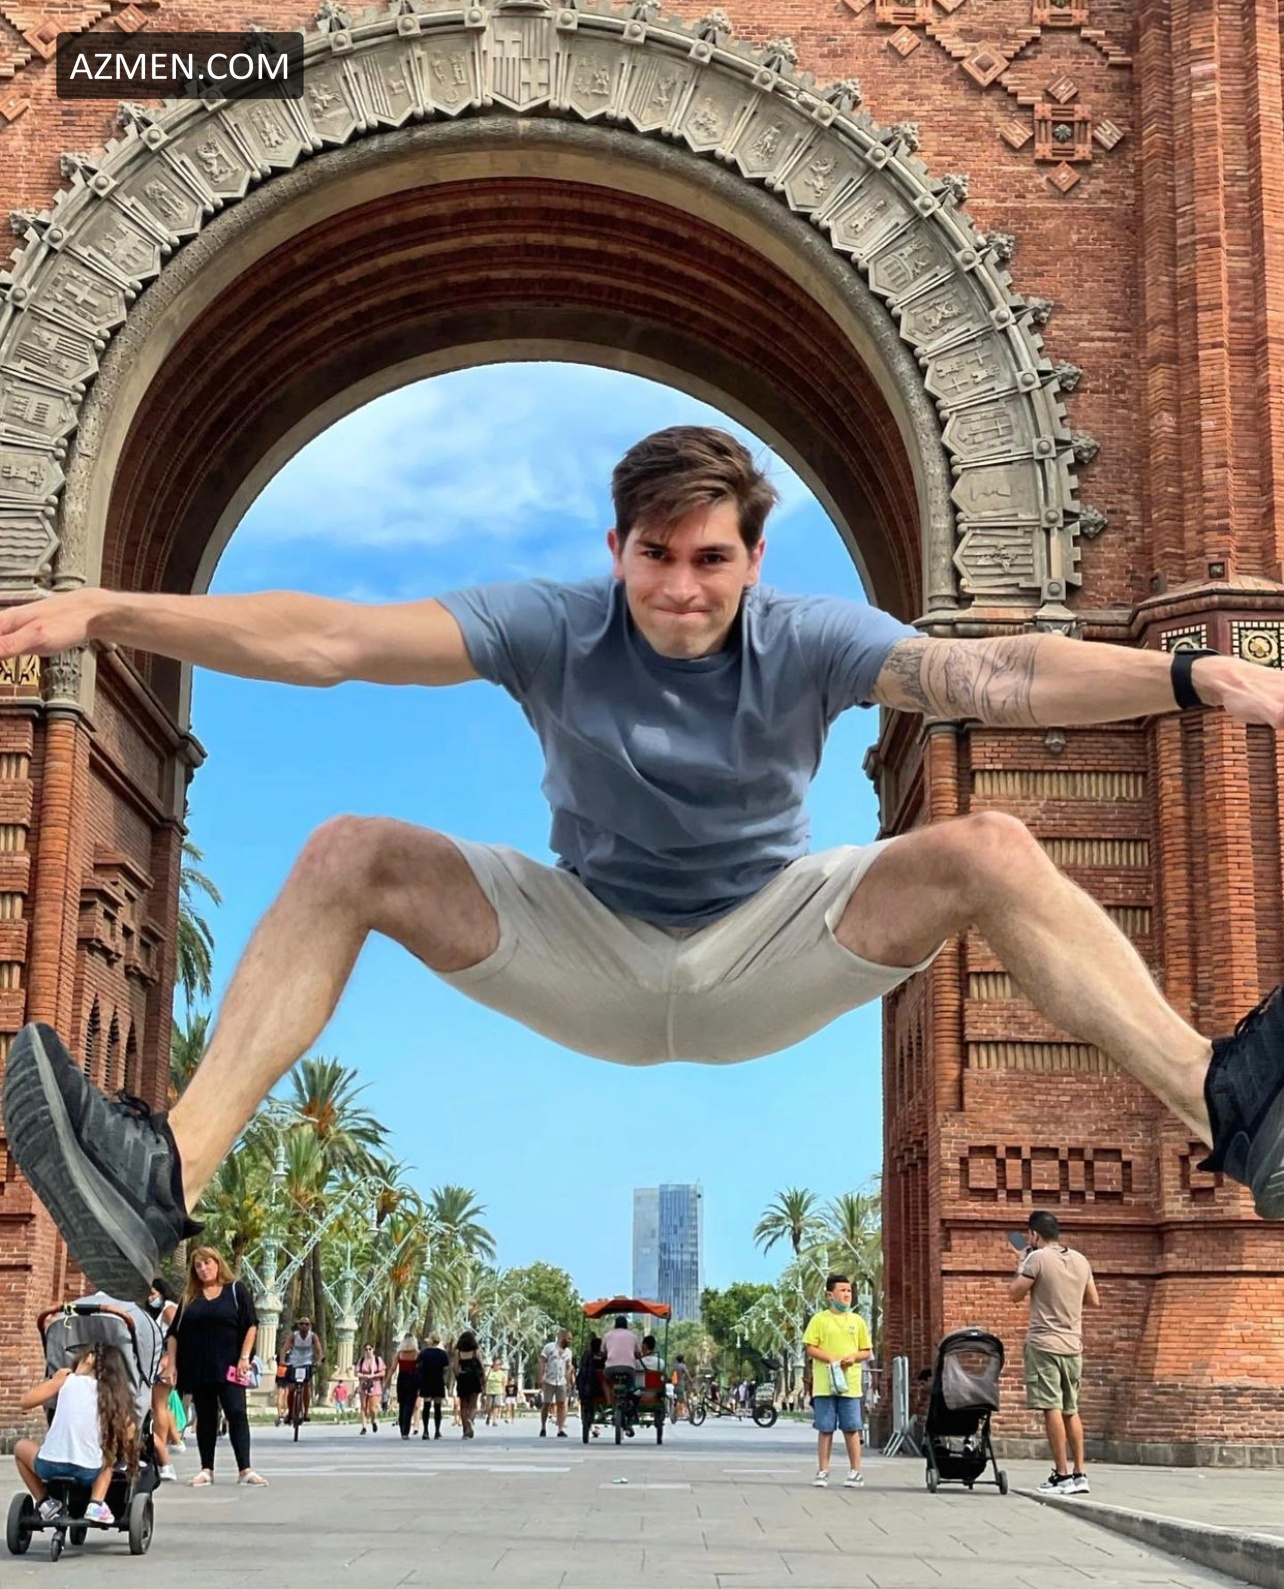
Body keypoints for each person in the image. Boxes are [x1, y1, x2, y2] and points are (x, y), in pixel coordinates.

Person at [10, 425, 1284, 1305]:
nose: (682, 589)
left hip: (768, 939)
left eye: (711, 558)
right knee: (349, 850)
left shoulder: (810, 637)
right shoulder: (548, 623)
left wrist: (1195, 677)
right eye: (656, 557)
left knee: (988, 844)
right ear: (615, 546)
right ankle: (162, 1175)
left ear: (755, 559)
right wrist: (112, 612)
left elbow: (993, 671)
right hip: (588, 939)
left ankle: (1227, 1104)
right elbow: (332, 638)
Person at [1010, 1210, 1100, 1497]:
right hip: (1073, 1345)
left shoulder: (1036, 1258)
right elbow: (1093, 1300)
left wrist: (1021, 1262)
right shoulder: (1081, 1260)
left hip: (1044, 1344)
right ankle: (1080, 1474)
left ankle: (1061, 1476)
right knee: (1071, 1409)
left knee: (1052, 1407)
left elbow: (1014, 1294)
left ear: (1034, 1234)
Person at [166, 1245, 266, 1487]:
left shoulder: (235, 1290)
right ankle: (206, 1469)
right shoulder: (190, 1297)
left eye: (207, 1263)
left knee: (236, 1412)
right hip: (199, 1367)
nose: (203, 1269)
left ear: (218, 1263)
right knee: (206, 1416)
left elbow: (251, 1325)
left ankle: (245, 1469)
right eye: (198, 1266)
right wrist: (171, 1365)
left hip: (230, 1366)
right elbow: (174, 1333)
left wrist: (244, 1357)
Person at [13, 1338, 137, 1526]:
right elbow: (129, 1432)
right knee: (108, 1455)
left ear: (89, 1358)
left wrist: (55, 1381)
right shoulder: (109, 1393)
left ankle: (45, 1503)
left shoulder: (65, 1381)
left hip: (49, 1465)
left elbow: (25, 1402)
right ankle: (96, 1503)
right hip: (88, 1471)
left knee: (20, 1447)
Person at [803, 1273, 872, 1490]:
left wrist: (854, 1357)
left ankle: (855, 1472)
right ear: (830, 1295)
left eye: (849, 1291)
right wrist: (830, 1358)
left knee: (852, 1428)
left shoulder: (857, 1321)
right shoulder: (819, 1320)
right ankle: (823, 1470)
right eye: (842, 1291)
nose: (847, 1295)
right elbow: (810, 1347)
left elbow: (866, 1351)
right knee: (825, 1428)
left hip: (850, 1386)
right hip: (825, 1385)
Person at [144, 1275, 182, 1480]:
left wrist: (169, 1360)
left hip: (164, 1362)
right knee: (161, 1405)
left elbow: (178, 1334)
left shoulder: (168, 1309)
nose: (151, 1298)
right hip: (163, 1361)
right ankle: (169, 1442)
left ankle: (160, 1447)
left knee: (158, 1405)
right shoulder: (163, 1310)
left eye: (153, 1294)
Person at [282, 1315, 323, 1422]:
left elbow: (318, 1349)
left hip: (307, 1363)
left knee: (306, 1386)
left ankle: (306, 1412)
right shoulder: (294, 1336)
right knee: (291, 1389)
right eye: (301, 1324)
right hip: (294, 1363)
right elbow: (285, 1348)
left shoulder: (312, 1336)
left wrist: (319, 1360)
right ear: (298, 1325)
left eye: (306, 1324)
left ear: (310, 1326)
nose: (304, 1326)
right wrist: (282, 1360)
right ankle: (290, 1413)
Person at [538, 1329, 574, 1438]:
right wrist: (540, 1376)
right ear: (563, 1338)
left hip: (561, 1381)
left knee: (561, 1404)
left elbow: (568, 1367)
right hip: (549, 1380)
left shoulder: (568, 1352)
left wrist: (569, 1381)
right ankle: (543, 1427)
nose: (570, 1341)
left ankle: (560, 1429)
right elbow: (541, 1361)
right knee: (546, 1403)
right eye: (568, 1339)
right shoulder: (549, 1347)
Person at [416, 1333, 450, 1440]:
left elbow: (418, 1365)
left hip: (426, 1380)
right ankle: (437, 1431)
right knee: (437, 1406)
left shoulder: (424, 1353)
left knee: (426, 1405)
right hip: (438, 1380)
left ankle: (425, 1430)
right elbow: (445, 1368)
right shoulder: (442, 1354)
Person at [453, 1332, 484, 1439]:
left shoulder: (458, 1353)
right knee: (473, 1404)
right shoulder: (476, 1352)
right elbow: (482, 1366)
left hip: (463, 1379)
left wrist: (458, 1377)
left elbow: (455, 1368)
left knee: (463, 1405)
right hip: (474, 1379)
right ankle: (470, 1420)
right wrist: (483, 1379)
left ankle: (465, 1429)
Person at [394, 1335, 421, 1439]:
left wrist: (386, 1382)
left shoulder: (399, 1354)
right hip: (413, 1379)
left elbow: (392, 1368)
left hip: (402, 1379)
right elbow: (421, 1369)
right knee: (409, 1405)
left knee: (402, 1404)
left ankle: (402, 1426)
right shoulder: (417, 1354)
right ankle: (405, 1431)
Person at [355, 1343, 385, 1434]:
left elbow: (383, 1372)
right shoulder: (361, 1361)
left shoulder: (377, 1360)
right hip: (364, 1385)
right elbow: (356, 1372)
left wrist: (373, 1375)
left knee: (372, 1408)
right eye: (366, 1349)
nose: (368, 1351)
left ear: (373, 1349)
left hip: (374, 1385)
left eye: (370, 1349)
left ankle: (373, 1420)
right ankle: (364, 1427)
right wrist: (364, 1376)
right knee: (363, 1406)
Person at [484, 1359, 506, 1426]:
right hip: (489, 1391)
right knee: (489, 1406)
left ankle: (494, 1420)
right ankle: (488, 1416)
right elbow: (485, 1380)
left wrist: (503, 1392)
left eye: (499, 1365)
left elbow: (504, 1383)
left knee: (496, 1405)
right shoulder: (489, 1372)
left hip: (498, 1391)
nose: (497, 1366)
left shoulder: (502, 1373)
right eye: (496, 1364)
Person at [672, 1354, 691, 1422]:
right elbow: (687, 1374)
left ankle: (675, 1414)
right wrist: (691, 1380)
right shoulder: (682, 1366)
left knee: (677, 1400)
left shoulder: (674, 1366)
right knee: (682, 1400)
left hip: (675, 1385)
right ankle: (679, 1414)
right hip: (680, 1385)